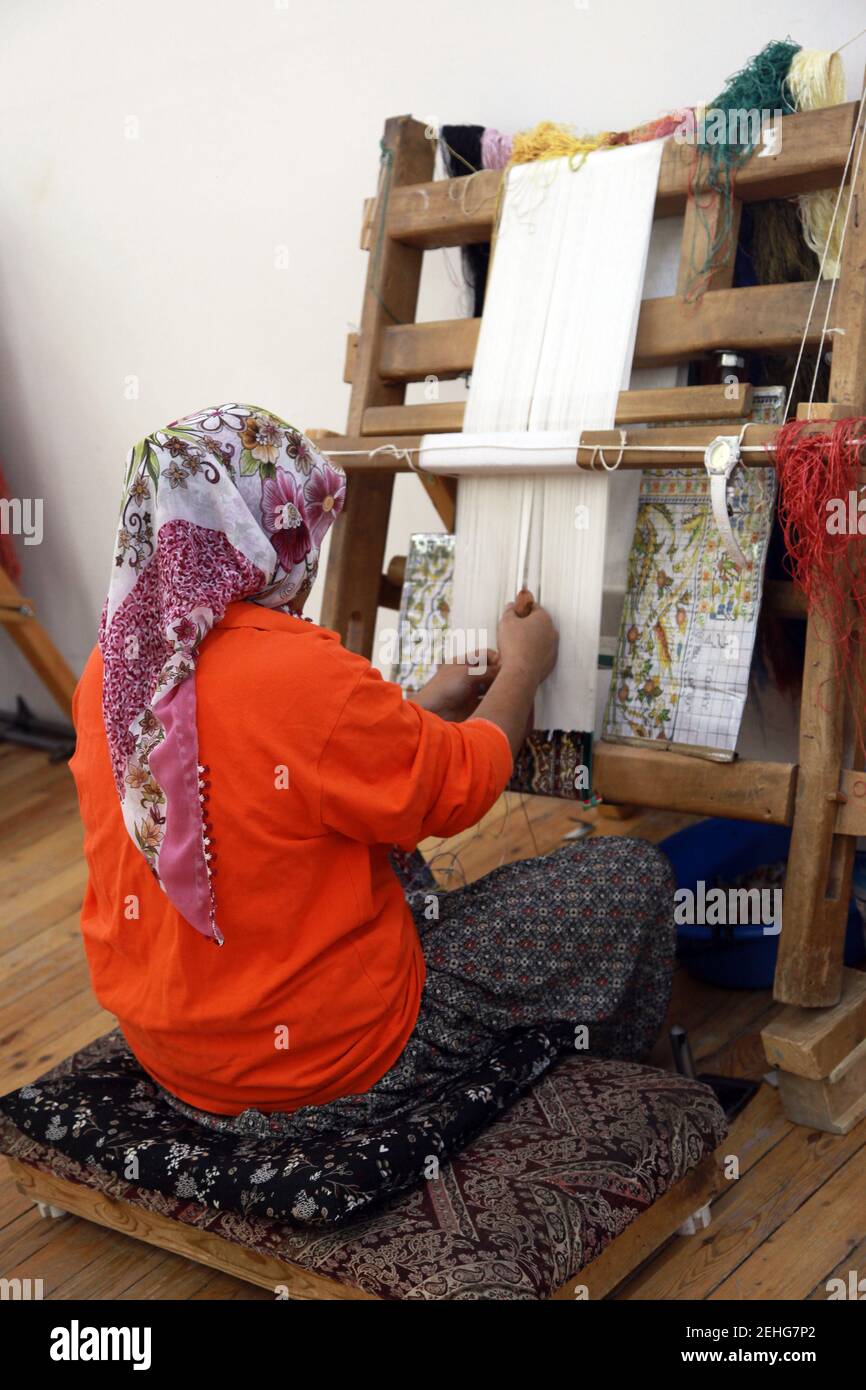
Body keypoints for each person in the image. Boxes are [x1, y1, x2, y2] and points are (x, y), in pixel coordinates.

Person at [70, 402, 675, 1140]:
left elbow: (273, 773)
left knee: (388, 848)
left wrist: (426, 701)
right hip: (327, 1063)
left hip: (172, 1055)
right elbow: (463, 783)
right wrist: (525, 668)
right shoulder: (298, 668)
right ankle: (608, 1086)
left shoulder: (113, 666)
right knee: (631, 876)